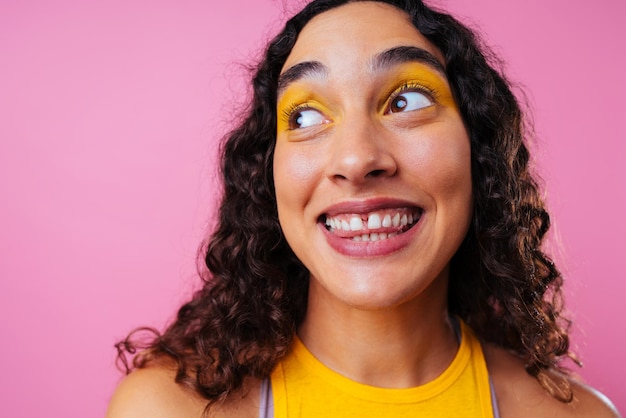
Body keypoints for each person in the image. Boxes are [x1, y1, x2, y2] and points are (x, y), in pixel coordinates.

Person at [106, 1, 620, 417]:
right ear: (268, 175)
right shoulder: (166, 408)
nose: (355, 159)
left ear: (478, 153)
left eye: (406, 101)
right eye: (305, 114)